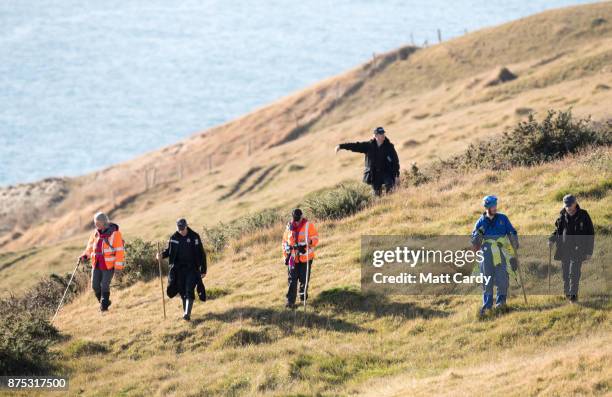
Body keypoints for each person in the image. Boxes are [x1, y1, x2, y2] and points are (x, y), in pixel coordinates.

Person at [471, 195, 518, 316]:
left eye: (495, 205)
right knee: (487, 280)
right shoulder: (480, 221)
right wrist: (478, 235)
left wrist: (514, 240)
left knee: (502, 279)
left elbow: (511, 231)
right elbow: (474, 241)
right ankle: (487, 306)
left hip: (501, 252)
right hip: (486, 253)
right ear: (487, 207)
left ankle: (501, 304)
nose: (495, 208)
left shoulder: (503, 218)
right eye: (492, 206)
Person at [157, 218, 207, 321]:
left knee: (189, 289)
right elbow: (169, 251)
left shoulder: (194, 237)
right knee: (183, 291)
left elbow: (202, 253)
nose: (181, 231)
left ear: (186, 226)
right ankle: (186, 313)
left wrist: (203, 269)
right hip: (178, 270)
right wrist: (161, 255)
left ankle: (186, 314)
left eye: (183, 228)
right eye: (180, 229)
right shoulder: (174, 238)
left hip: (192, 268)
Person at [548, 194, 594, 303]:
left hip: (578, 250)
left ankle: (573, 296)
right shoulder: (562, 216)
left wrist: (589, 251)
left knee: (573, 273)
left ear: (575, 203)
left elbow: (590, 234)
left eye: (570, 205)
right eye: (566, 205)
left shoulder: (584, 215)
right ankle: (567, 294)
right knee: (565, 274)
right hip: (564, 250)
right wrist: (551, 239)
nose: (568, 207)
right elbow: (557, 231)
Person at [335, 126, 400, 196]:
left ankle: (390, 199)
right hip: (374, 174)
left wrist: (397, 174)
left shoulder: (389, 147)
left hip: (386, 172)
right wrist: (341, 146)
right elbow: (355, 146)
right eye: (381, 134)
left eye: (383, 133)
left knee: (390, 185)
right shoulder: (368, 146)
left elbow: (395, 161)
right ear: (375, 136)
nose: (383, 135)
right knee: (377, 195)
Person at [80, 212, 125, 312]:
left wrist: (118, 268)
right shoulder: (95, 234)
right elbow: (89, 248)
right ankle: (104, 302)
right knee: (95, 286)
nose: (96, 225)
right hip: (96, 264)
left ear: (104, 222)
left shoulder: (116, 234)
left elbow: (120, 252)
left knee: (105, 285)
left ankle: (104, 307)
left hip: (108, 266)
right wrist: (85, 255)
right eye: (95, 222)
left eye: (98, 222)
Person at [282, 208, 319, 309]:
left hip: (305, 258)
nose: (296, 221)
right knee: (292, 280)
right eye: (295, 219)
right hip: (293, 259)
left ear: (302, 217)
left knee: (304, 279)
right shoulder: (289, 227)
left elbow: (316, 238)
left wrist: (310, 242)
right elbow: (285, 242)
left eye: (298, 219)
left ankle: (303, 299)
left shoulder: (309, 225)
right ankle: (290, 302)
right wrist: (286, 256)